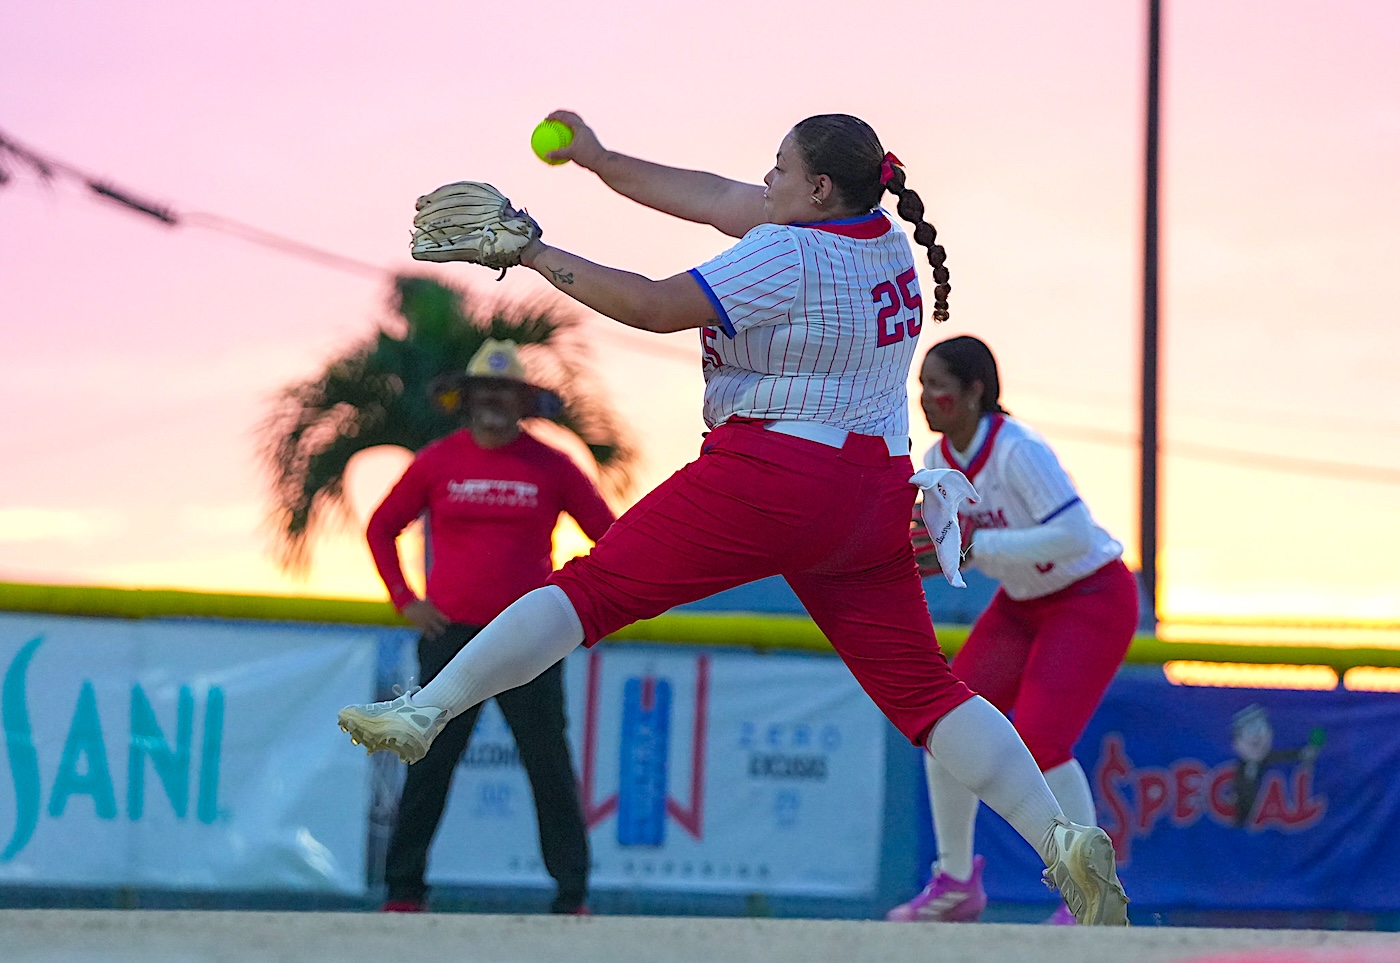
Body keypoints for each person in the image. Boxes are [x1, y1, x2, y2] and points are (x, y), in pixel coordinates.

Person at [339, 110, 1130, 925]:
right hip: (873, 492)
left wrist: (534, 252)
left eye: (780, 168)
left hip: (776, 473)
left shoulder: (787, 250)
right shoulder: (885, 237)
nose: (766, 179)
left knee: (592, 589)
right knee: (926, 692)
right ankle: (1061, 838)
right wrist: (601, 160)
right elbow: (714, 194)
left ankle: (426, 708)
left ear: (819, 188)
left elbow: (650, 305)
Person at [886, 335, 1139, 925]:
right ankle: (954, 883)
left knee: (1043, 741)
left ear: (977, 391)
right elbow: (950, 549)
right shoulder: (935, 463)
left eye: (939, 384)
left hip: (1091, 596)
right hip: (1024, 602)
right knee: (942, 724)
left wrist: (976, 544)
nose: (926, 397)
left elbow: (1076, 535)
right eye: (921, 384)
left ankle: (1093, 894)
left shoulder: (1017, 450)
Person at [365, 338, 615, 915]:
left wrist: (571, 598)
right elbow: (381, 528)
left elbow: (611, 536)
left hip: (530, 641)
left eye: (505, 389)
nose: (493, 399)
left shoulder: (552, 466)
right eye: (484, 388)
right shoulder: (437, 461)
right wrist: (405, 599)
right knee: (427, 760)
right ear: (466, 397)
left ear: (524, 400)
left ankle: (572, 895)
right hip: (450, 638)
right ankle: (404, 892)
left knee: (548, 765)